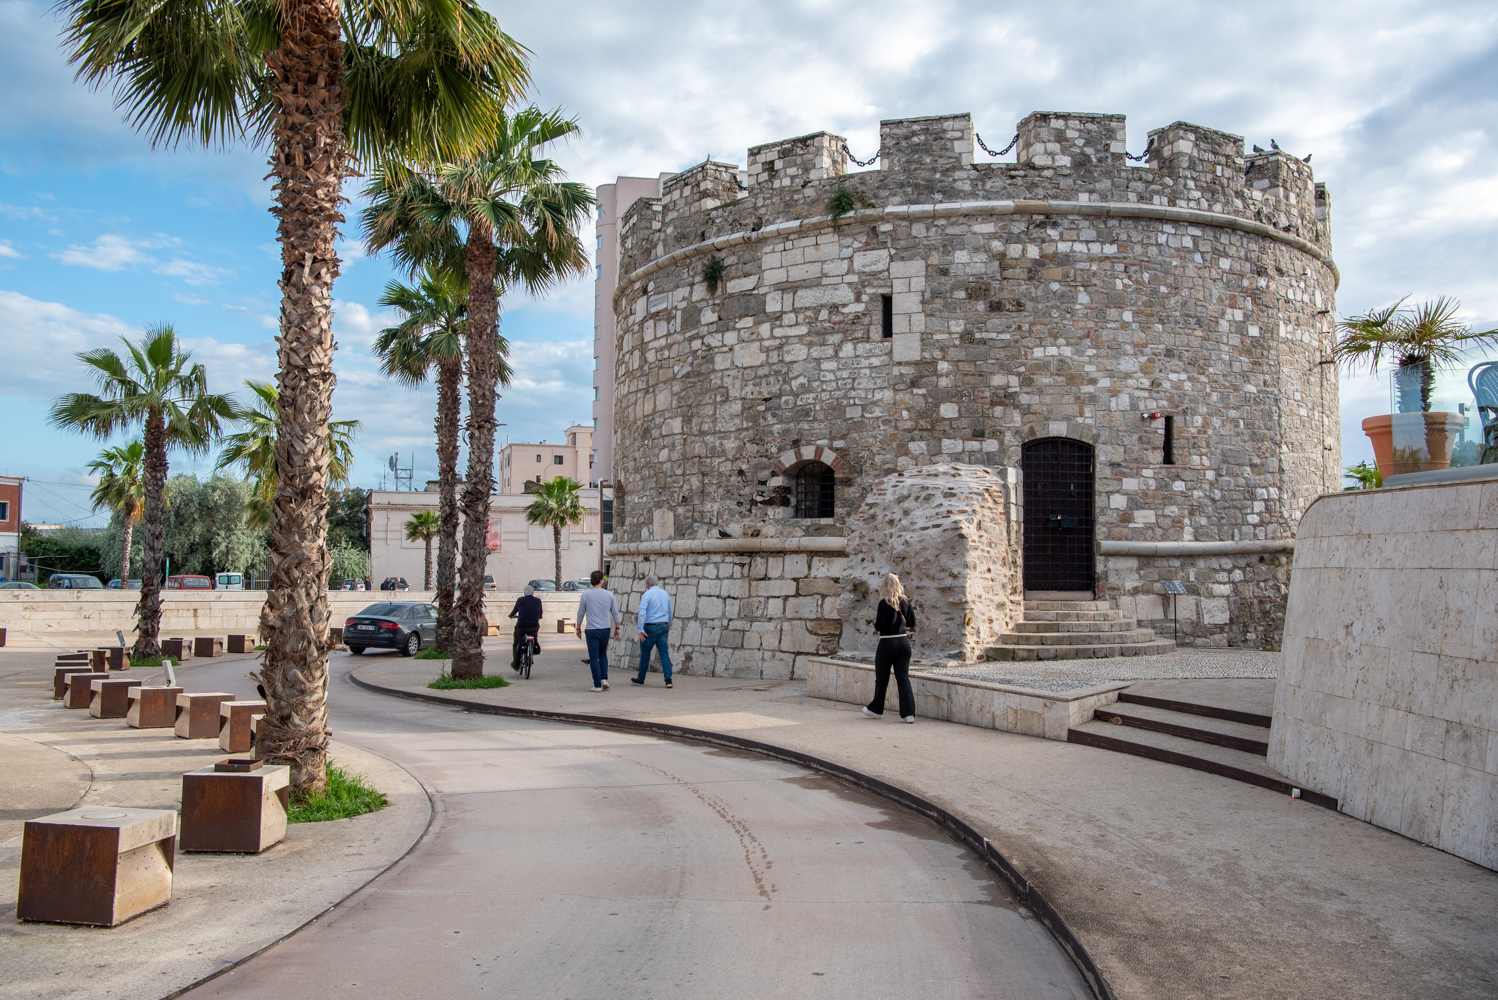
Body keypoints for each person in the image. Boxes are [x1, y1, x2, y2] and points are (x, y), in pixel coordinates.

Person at [863, 573, 916, 723]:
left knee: (882, 678)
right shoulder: (906, 602)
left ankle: (876, 709)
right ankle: (908, 714)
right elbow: (912, 622)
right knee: (903, 678)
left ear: (884, 585)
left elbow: (879, 626)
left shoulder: (883, 603)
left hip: (887, 643)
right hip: (904, 643)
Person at [575, 570, 621, 692]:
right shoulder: (609, 595)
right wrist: (617, 627)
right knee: (603, 653)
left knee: (593, 656)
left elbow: (581, 613)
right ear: (601, 581)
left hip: (591, 629)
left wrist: (578, 627)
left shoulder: (586, 595)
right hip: (605, 628)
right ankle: (604, 678)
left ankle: (596, 684)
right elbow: (615, 612)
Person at [631, 574, 674, 688]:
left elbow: (642, 612)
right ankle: (668, 679)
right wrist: (668, 623)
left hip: (650, 627)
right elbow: (670, 611)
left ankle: (641, 678)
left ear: (648, 584)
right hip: (663, 626)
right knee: (664, 653)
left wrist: (640, 629)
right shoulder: (665, 594)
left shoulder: (647, 595)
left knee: (645, 654)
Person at [509, 585, 544, 671]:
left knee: (516, 642)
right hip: (534, 627)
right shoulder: (538, 601)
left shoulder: (520, 600)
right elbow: (540, 614)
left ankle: (516, 664)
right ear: (533, 593)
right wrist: (538, 617)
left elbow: (514, 611)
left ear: (524, 593)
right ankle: (534, 647)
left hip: (521, 627)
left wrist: (511, 615)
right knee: (534, 635)